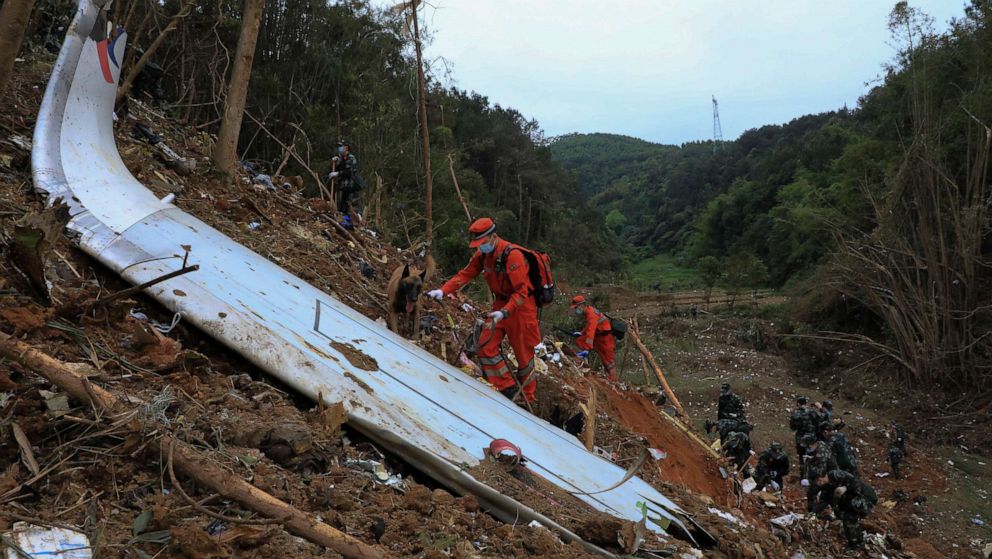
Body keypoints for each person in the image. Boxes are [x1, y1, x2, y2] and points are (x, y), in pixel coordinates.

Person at [427, 218, 542, 402]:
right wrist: (443, 290)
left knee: (523, 356)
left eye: (483, 243)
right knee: (485, 345)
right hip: (500, 304)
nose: (481, 247)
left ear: (494, 237)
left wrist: (505, 312)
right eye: (478, 245)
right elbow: (465, 274)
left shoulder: (513, 256)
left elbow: (522, 291)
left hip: (521, 307)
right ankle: (508, 388)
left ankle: (527, 398)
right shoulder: (482, 256)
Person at [811, 469, 877, 549]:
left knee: (849, 515)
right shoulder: (826, 486)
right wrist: (812, 512)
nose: (819, 483)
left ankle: (856, 543)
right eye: (817, 481)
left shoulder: (836, 475)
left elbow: (855, 482)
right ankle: (855, 541)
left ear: (824, 476)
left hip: (865, 497)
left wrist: (845, 487)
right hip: (850, 501)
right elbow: (825, 501)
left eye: (820, 480)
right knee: (843, 516)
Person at [568, 295, 617, 380]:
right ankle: (574, 361)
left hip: (605, 339)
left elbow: (590, 333)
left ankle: (612, 380)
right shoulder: (588, 311)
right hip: (598, 336)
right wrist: (581, 333)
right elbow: (589, 326)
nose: (576, 310)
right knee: (579, 341)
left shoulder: (591, 314)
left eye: (576, 307)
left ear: (582, 306)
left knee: (609, 361)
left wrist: (587, 348)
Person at [802, 433, 837, 512]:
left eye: (808, 446)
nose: (807, 449)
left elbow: (819, 474)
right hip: (828, 474)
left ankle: (813, 513)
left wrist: (809, 482)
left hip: (828, 477)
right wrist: (810, 459)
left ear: (812, 444)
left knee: (814, 494)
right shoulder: (820, 444)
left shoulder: (820, 455)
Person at [328, 140, 361, 216]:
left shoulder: (351, 158)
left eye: (341, 147)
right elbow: (338, 168)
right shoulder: (342, 159)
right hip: (343, 187)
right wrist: (336, 162)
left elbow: (348, 172)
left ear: (346, 148)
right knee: (342, 207)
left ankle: (355, 223)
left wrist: (337, 174)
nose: (339, 149)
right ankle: (343, 221)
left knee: (351, 207)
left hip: (351, 188)